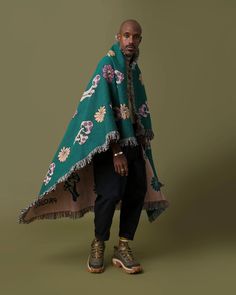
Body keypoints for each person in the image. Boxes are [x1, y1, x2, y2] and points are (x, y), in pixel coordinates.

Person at [18, 19, 169, 275]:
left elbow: (138, 107)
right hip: (110, 146)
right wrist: (117, 151)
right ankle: (98, 244)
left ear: (140, 41)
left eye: (136, 37)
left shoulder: (134, 70)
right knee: (109, 194)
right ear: (118, 37)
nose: (131, 41)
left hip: (134, 143)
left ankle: (123, 247)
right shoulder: (107, 66)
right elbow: (99, 111)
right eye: (126, 36)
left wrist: (140, 139)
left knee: (136, 191)